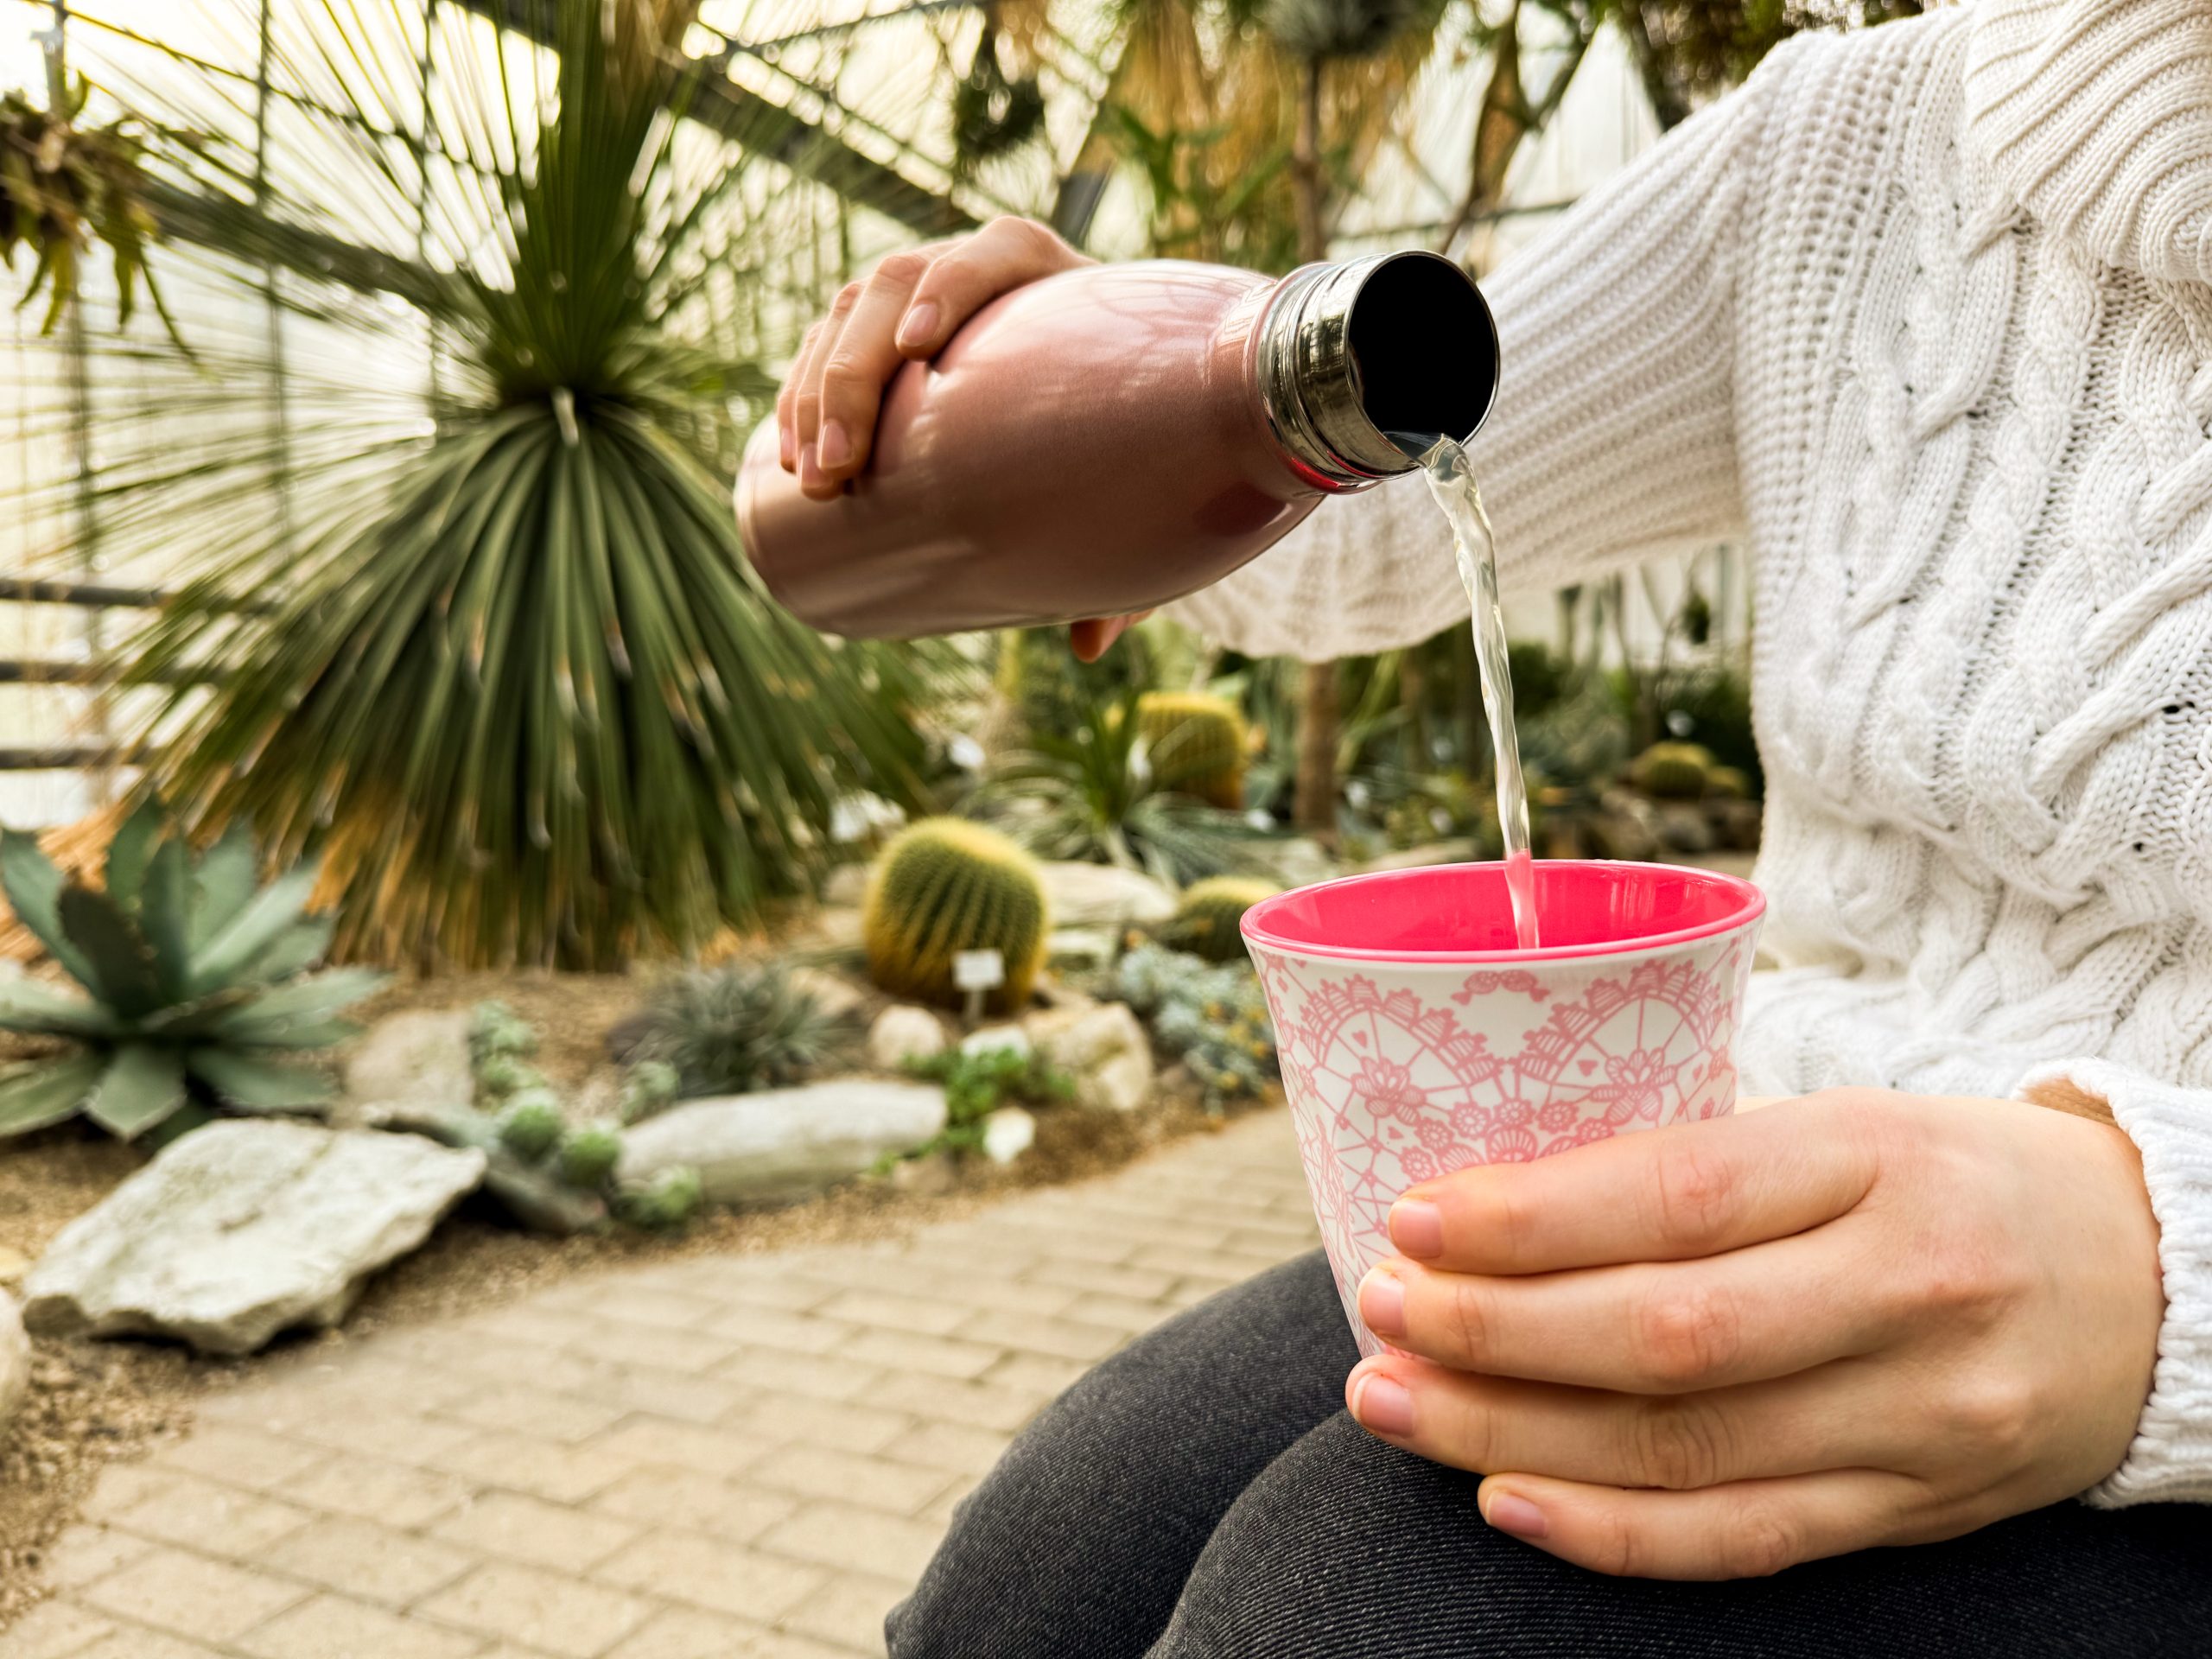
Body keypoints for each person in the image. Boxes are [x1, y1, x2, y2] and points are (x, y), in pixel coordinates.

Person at [770, 0, 2212, 1650]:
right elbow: (1366, 515)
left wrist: (2169, 1287)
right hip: (1758, 1159)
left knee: (1335, 1611)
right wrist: (1082, 356)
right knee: (1028, 1580)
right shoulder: (1864, 135)